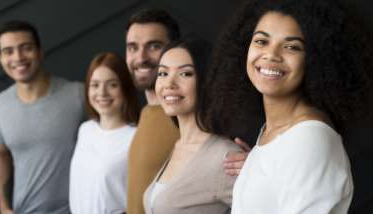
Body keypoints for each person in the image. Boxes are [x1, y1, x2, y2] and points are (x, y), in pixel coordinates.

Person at [201, 0, 372, 213]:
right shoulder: (275, 134)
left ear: (316, 59)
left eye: (292, 47)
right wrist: (259, 171)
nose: (271, 54)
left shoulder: (309, 139)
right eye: (261, 41)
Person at [0, 20, 85, 214]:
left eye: (26, 48)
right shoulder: (0, 104)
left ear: (40, 51)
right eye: (8, 51)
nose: (17, 57)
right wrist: (3, 204)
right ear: (0, 58)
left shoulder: (78, 94)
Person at [143, 35, 240, 214]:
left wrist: (258, 167)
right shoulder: (179, 146)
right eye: (163, 73)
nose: (169, 84)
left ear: (206, 82)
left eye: (185, 73)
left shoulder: (226, 157)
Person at [124, 9, 181, 214]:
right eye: (133, 48)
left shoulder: (189, 116)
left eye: (154, 46)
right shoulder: (148, 112)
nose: (141, 58)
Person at [69, 52, 140, 213]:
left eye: (112, 85)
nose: (102, 93)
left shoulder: (136, 137)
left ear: (125, 89)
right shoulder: (85, 130)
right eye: (95, 85)